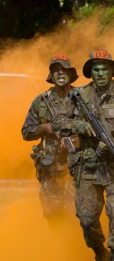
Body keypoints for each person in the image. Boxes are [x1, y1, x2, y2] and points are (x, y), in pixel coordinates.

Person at [52, 50, 114, 261]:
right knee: (87, 218)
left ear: (111, 71)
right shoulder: (78, 95)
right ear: (90, 73)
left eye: (104, 69)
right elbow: (58, 121)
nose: (101, 73)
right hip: (88, 165)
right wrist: (80, 126)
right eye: (96, 69)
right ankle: (100, 253)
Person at [22, 53, 79, 226]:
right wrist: (44, 128)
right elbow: (26, 132)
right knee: (53, 216)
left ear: (70, 73)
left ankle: (74, 251)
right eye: (56, 70)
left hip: (77, 167)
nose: (60, 73)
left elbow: (96, 128)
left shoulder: (82, 98)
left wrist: (76, 138)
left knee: (75, 215)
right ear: (51, 75)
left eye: (64, 70)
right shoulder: (41, 102)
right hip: (51, 170)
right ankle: (56, 250)